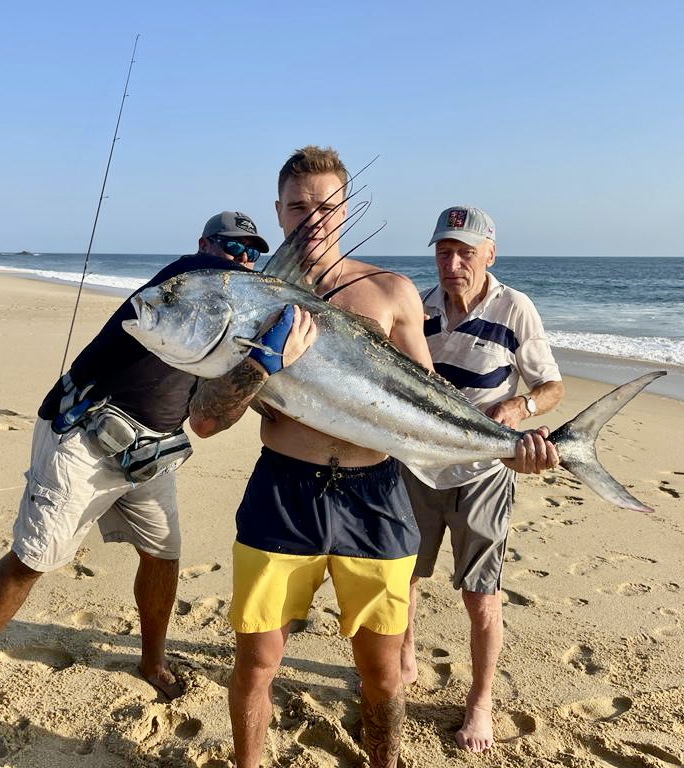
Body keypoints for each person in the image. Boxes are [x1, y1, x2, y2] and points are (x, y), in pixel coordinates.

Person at [0, 210, 271, 728]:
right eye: (230, 247)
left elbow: (210, 418)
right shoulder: (184, 280)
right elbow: (203, 277)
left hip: (151, 451)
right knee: (35, 557)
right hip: (82, 435)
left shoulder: (235, 322)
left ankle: (152, 659)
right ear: (203, 245)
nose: (242, 259)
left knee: (164, 555)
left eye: (253, 252)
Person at [189, 145, 436, 768]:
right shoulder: (246, 300)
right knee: (258, 660)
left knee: (381, 672)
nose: (313, 217)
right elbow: (207, 420)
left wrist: (507, 443)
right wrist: (263, 364)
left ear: (345, 207)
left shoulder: (393, 292)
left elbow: (430, 398)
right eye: (298, 206)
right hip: (283, 489)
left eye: (326, 204)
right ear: (278, 213)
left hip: (375, 493)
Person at [400, 205, 564, 753]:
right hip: (418, 466)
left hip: (485, 472)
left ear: (489, 254)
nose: (452, 263)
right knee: (403, 579)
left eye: (465, 252)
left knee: (482, 596)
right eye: (444, 252)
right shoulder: (418, 308)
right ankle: (404, 662)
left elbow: (552, 388)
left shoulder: (516, 308)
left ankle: (481, 701)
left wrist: (520, 405)